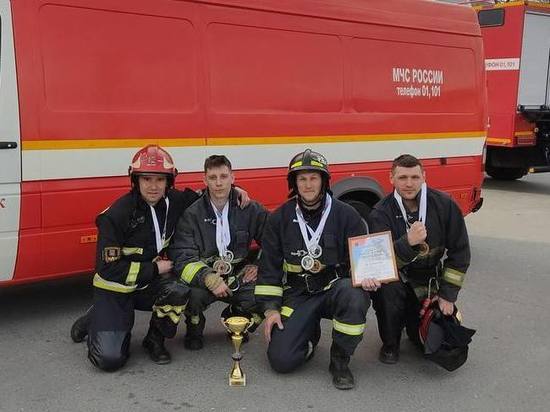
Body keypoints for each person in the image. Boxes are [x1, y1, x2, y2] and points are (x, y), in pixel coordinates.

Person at [69, 145, 249, 371]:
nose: (153, 186)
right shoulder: (116, 216)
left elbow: (209, 192)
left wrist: (236, 189)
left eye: (159, 180)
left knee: (178, 289)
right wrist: (154, 269)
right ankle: (97, 316)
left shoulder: (174, 201)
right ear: (135, 180)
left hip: (146, 286)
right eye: (146, 179)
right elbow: (107, 269)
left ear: (168, 181)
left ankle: (154, 339)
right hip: (115, 289)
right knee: (110, 360)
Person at [254, 149, 376, 390]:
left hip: (334, 290)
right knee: (282, 361)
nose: (308, 185)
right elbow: (269, 268)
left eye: (313, 178)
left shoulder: (347, 215)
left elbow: (364, 261)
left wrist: (368, 276)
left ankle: (340, 360)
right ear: (294, 183)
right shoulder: (279, 218)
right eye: (302, 179)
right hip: (298, 295)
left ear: (323, 181)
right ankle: (309, 334)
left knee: (354, 295)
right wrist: (270, 310)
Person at [367, 154, 471, 365]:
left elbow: (460, 253)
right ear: (391, 178)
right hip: (398, 279)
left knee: (430, 343)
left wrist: (447, 294)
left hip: (430, 282)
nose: (408, 184)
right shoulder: (380, 212)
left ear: (424, 176)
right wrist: (408, 242)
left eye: (414, 177)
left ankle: (415, 325)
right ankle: (390, 343)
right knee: (387, 291)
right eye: (402, 177)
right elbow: (380, 263)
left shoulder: (445, 205)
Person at [169, 155, 268, 350]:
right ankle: (194, 328)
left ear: (233, 178)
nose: (219, 183)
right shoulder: (192, 213)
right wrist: (208, 278)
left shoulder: (249, 208)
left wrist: (258, 264)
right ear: (204, 180)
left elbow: (274, 241)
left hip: (237, 275)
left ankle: (236, 317)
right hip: (205, 277)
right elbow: (183, 256)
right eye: (213, 178)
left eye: (223, 176)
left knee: (266, 290)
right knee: (191, 294)